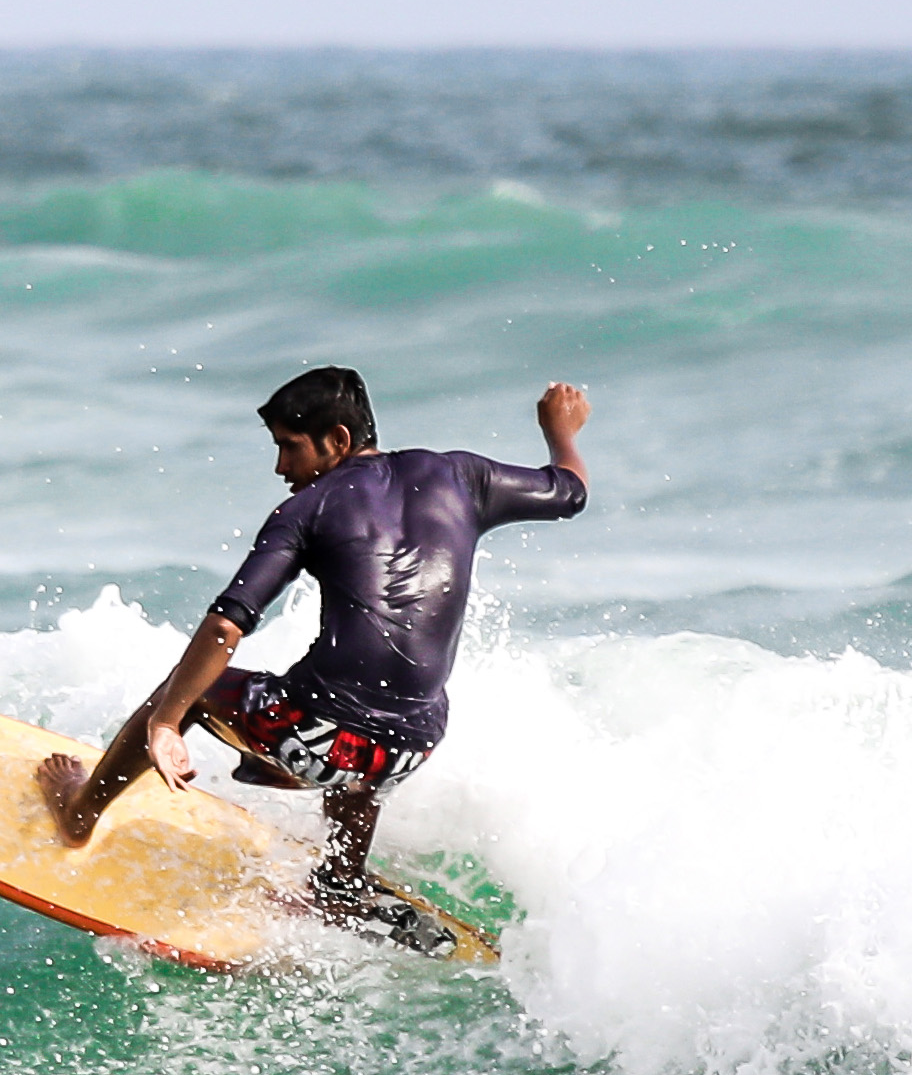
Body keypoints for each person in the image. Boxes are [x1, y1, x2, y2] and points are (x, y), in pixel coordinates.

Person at [36, 365, 591, 938]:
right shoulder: (460, 476)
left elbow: (226, 625)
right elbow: (569, 492)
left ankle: (80, 813)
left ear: (338, 440)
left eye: (289, 447)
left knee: (191, 688)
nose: (281, 467)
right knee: (370, 712)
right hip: (411, 750)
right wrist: (561, 429)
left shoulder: (308, 509)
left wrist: (167, 723)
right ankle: (339, 881)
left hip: (315, 742)